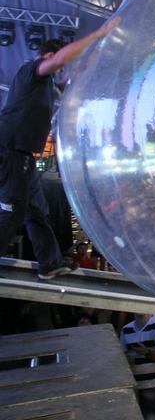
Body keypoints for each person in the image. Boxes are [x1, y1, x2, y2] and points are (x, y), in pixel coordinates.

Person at [0, 16, 120, 279]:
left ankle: (50, 263)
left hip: (25, 155)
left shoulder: (46, 86)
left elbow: (71, 81)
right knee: (13, 212)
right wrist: (99, 33)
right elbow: (58, 62)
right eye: (57, 62)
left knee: (36, 213)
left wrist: (94, 56)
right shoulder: (32, 70)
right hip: (10, 150)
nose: (59, 70)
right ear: (49, 55)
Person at [121, 313, 155, 420]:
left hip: (153, 385)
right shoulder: (126, 329)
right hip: (133, 385)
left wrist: (147, 352)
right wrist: (127, 359)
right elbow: (122, 359)